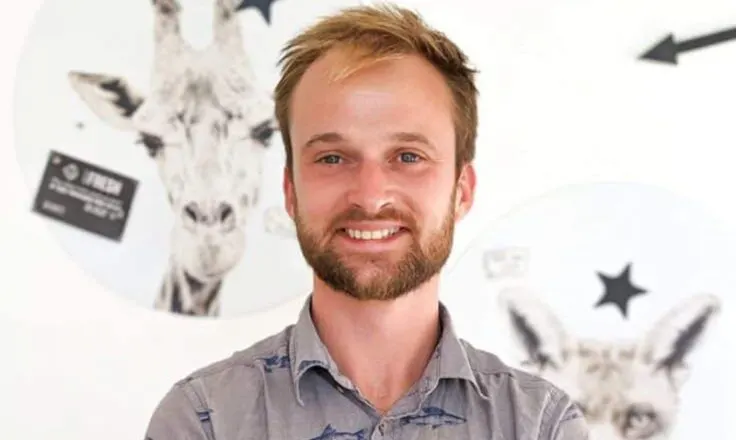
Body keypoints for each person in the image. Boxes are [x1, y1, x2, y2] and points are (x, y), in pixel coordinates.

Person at [143, 3, 590, 439]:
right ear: (290, 191)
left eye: (408, 156)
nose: (371, 196)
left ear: (462, 191)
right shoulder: (205, 420)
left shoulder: (540, 425)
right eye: (332, 157)